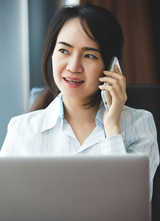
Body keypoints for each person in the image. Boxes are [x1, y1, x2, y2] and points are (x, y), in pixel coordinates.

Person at [0, 3, 159, 198]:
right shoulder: (21, 129)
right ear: (51, 53)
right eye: (64, 51)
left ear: (111, 66)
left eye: (89, 55)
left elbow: (131, 204)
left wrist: (112, 130)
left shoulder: (140, 124)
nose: (73, 66)